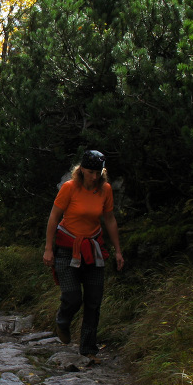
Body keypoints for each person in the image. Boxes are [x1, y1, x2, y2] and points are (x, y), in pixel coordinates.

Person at [42, 150, 124, 361]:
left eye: (98, 173)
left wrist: (118, 251)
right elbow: (54, 217)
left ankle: (88, 349)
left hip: (93, 248)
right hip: (66, 248)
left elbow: (110, 219)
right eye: (90, 172)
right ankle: (63, 320)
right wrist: (48, 249)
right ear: (81, 170)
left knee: (93, 301)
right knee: (72, 297)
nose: (94, 177)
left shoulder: (105, 189)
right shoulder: (69, 188)